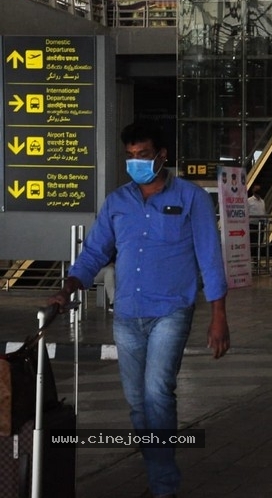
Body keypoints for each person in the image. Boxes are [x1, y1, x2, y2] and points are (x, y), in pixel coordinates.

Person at [48, 121, 230, 498]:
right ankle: (157, 472)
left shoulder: (192, 198)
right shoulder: (118, 202)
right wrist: (69, 286)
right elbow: (95, 251)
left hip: (172, 310)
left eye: (143, 155)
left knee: (157, 393)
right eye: (130, 157)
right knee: (136, 404)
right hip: (127, 313)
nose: (136, 162)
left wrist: (218, 317)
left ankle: (164, 487)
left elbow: (210, 259)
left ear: (162, 155)